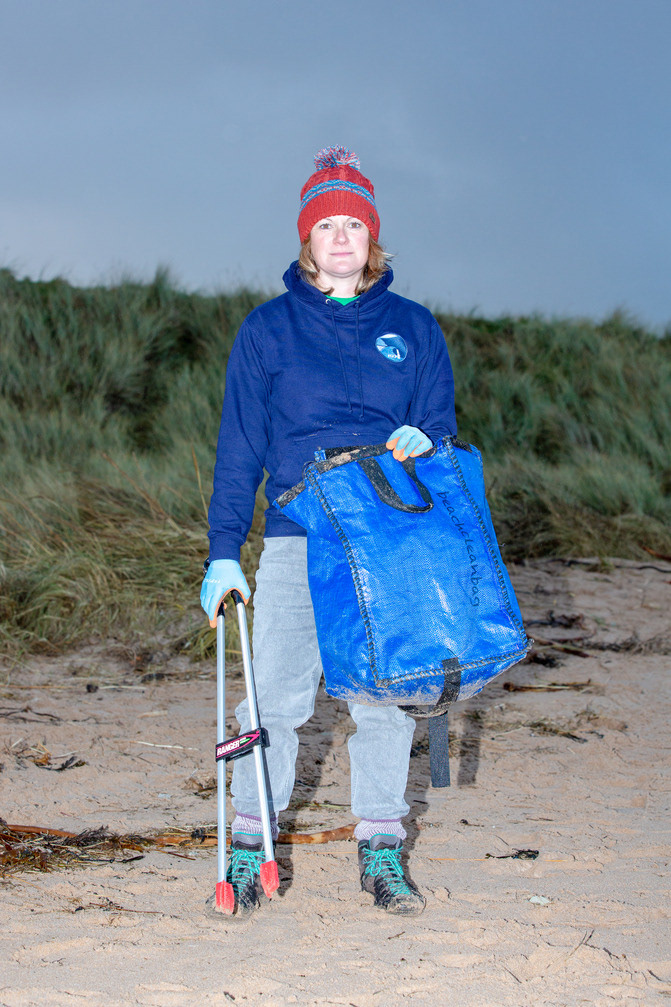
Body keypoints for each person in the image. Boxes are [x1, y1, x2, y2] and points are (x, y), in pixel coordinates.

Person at [201, 146, 457, 918]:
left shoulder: (414, 328)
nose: (340, 236)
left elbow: (440, 428)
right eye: (326, 224)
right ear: (305, 238)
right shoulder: (267, 330)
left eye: (354, 223)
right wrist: (222, 551)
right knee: (273, 701)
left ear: (371, 238)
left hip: (386, 542)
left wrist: (427, 442)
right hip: (294, 538)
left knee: (381, 699)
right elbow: (239, 447)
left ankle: (381, 850)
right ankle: (250, 848)